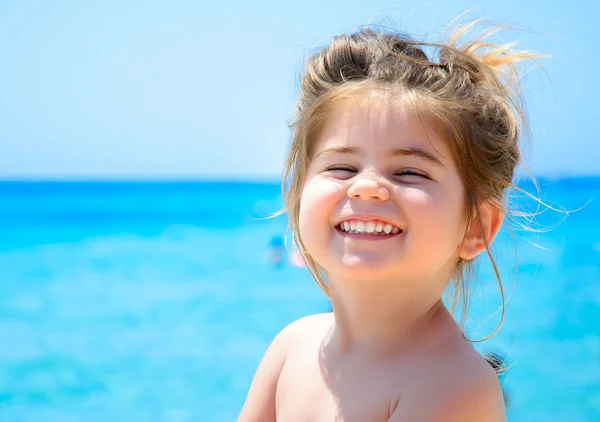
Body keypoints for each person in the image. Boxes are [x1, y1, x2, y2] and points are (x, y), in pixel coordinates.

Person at [238, 18, 540, 422]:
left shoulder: (451, 385)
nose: (367, 187)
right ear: (297, 196)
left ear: (476, 227)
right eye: (342, 167)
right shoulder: (292, 347)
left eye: (410, 172)